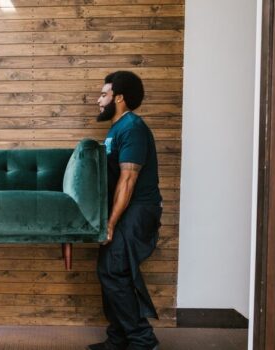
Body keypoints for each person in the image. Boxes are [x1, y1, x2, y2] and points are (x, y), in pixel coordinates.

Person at [88, 71, 163, 350]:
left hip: (138, 210)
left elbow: (128, 179)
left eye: (104, 94)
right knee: (109, 271)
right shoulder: (117, 128)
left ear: (119, 98)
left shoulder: (132, 127)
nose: (99, 100)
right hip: (125, 210)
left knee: (115, 271)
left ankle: (143, 342)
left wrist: (110, 222)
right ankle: (118, 338)